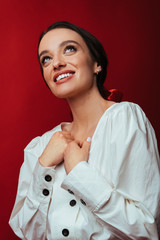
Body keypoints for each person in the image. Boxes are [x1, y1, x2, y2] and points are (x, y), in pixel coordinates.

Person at [9, 21, 160, 240]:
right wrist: (43, 168)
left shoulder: (125, 120)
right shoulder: (41, 147)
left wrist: (79, 173)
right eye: (46, 59)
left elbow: (147, 230)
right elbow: (29, 234)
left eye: (69, 49)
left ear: (96, 63)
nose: (57, 63)